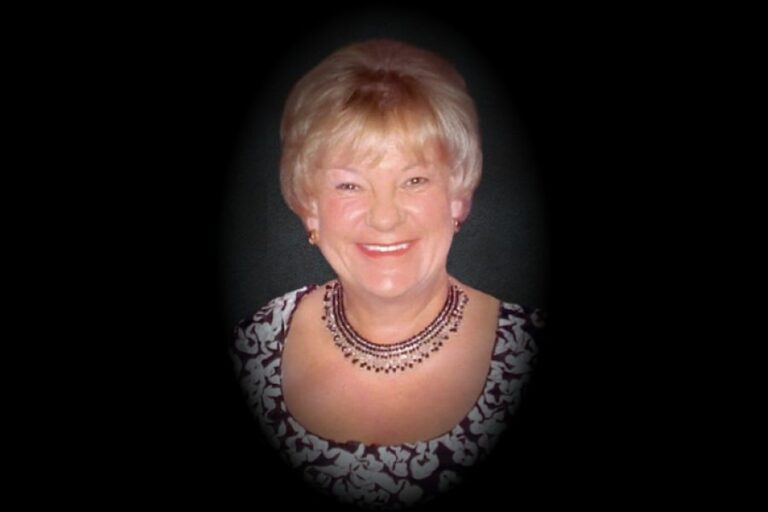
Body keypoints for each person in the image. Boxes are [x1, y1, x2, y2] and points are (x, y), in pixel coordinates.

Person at [230, 38, 544, 509]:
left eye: (414, 180)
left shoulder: (528, 353)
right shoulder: (253, 350)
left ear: (458, 197)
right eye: (350, 185)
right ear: (310, 206)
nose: (384, 218)